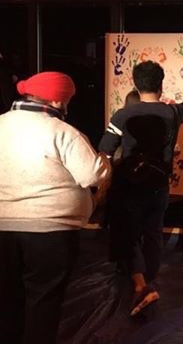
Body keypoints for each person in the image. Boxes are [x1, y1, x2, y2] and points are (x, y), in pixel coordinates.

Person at [0, 71, 111, 344]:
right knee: (44, 300)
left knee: (7, 299)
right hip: (50, 230)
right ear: (59, 101)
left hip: (2, 227)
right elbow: (91, 175)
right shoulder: (62, 131)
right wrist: (105, 161)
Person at [98, 61, 183, 316]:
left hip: (128, 186)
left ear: (135, 84)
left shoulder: (122, 116)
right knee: (153, 232)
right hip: (158, 185)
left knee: (129, 233)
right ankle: (149, 280)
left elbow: (105, 150)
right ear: (160, 85)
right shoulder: (172, 113)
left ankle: (140, 285)